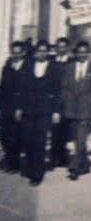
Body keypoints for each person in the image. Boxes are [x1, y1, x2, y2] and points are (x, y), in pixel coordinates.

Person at [15, 40, 62, 186]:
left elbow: (57, 91)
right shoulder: (28, 65)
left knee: (40, 142)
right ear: (36, 52)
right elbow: (22, 89)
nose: (41, 53)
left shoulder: (54, 67)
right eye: (39, 50)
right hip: (29, 109)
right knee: (28, 140)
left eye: (44, 50)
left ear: (48, 52)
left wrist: (56, 111)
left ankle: (37, 174)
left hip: (45, 111)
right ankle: (30, 167)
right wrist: (19, 108)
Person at [60, 41, 91, 181]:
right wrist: (65, 103)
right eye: (80, 52)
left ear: (88, 53)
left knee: (81, 137)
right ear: (76, 53)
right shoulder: (69, 67)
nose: (82, 54)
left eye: (85, 52)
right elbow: (64, 88)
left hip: (86, 108)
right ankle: (84, 164)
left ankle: (74, 167)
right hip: (71, 108)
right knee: (76, 138)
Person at [0, 41, 29, 173]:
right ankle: (9, 158)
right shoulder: (7, 67)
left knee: (18, 136)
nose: (15, 56)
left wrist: (21, 107)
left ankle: (14, 164)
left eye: (18, 53)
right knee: (5, 135)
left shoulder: (28, 67)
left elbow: (29, 90)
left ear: (23, 53)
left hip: (21, 107)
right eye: (13, 53)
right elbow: (3, 87)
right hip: (6, 106)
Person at [50, 36, 71, 168]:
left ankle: (63, 156)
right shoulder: (52, 62)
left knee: (65, 129)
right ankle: (54, 157)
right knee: (54, 130)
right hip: (54, 99)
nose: (61, 49)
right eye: (59, 47)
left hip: (68, 100)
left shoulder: (71, 62)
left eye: (63, 47)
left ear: (67, 48)